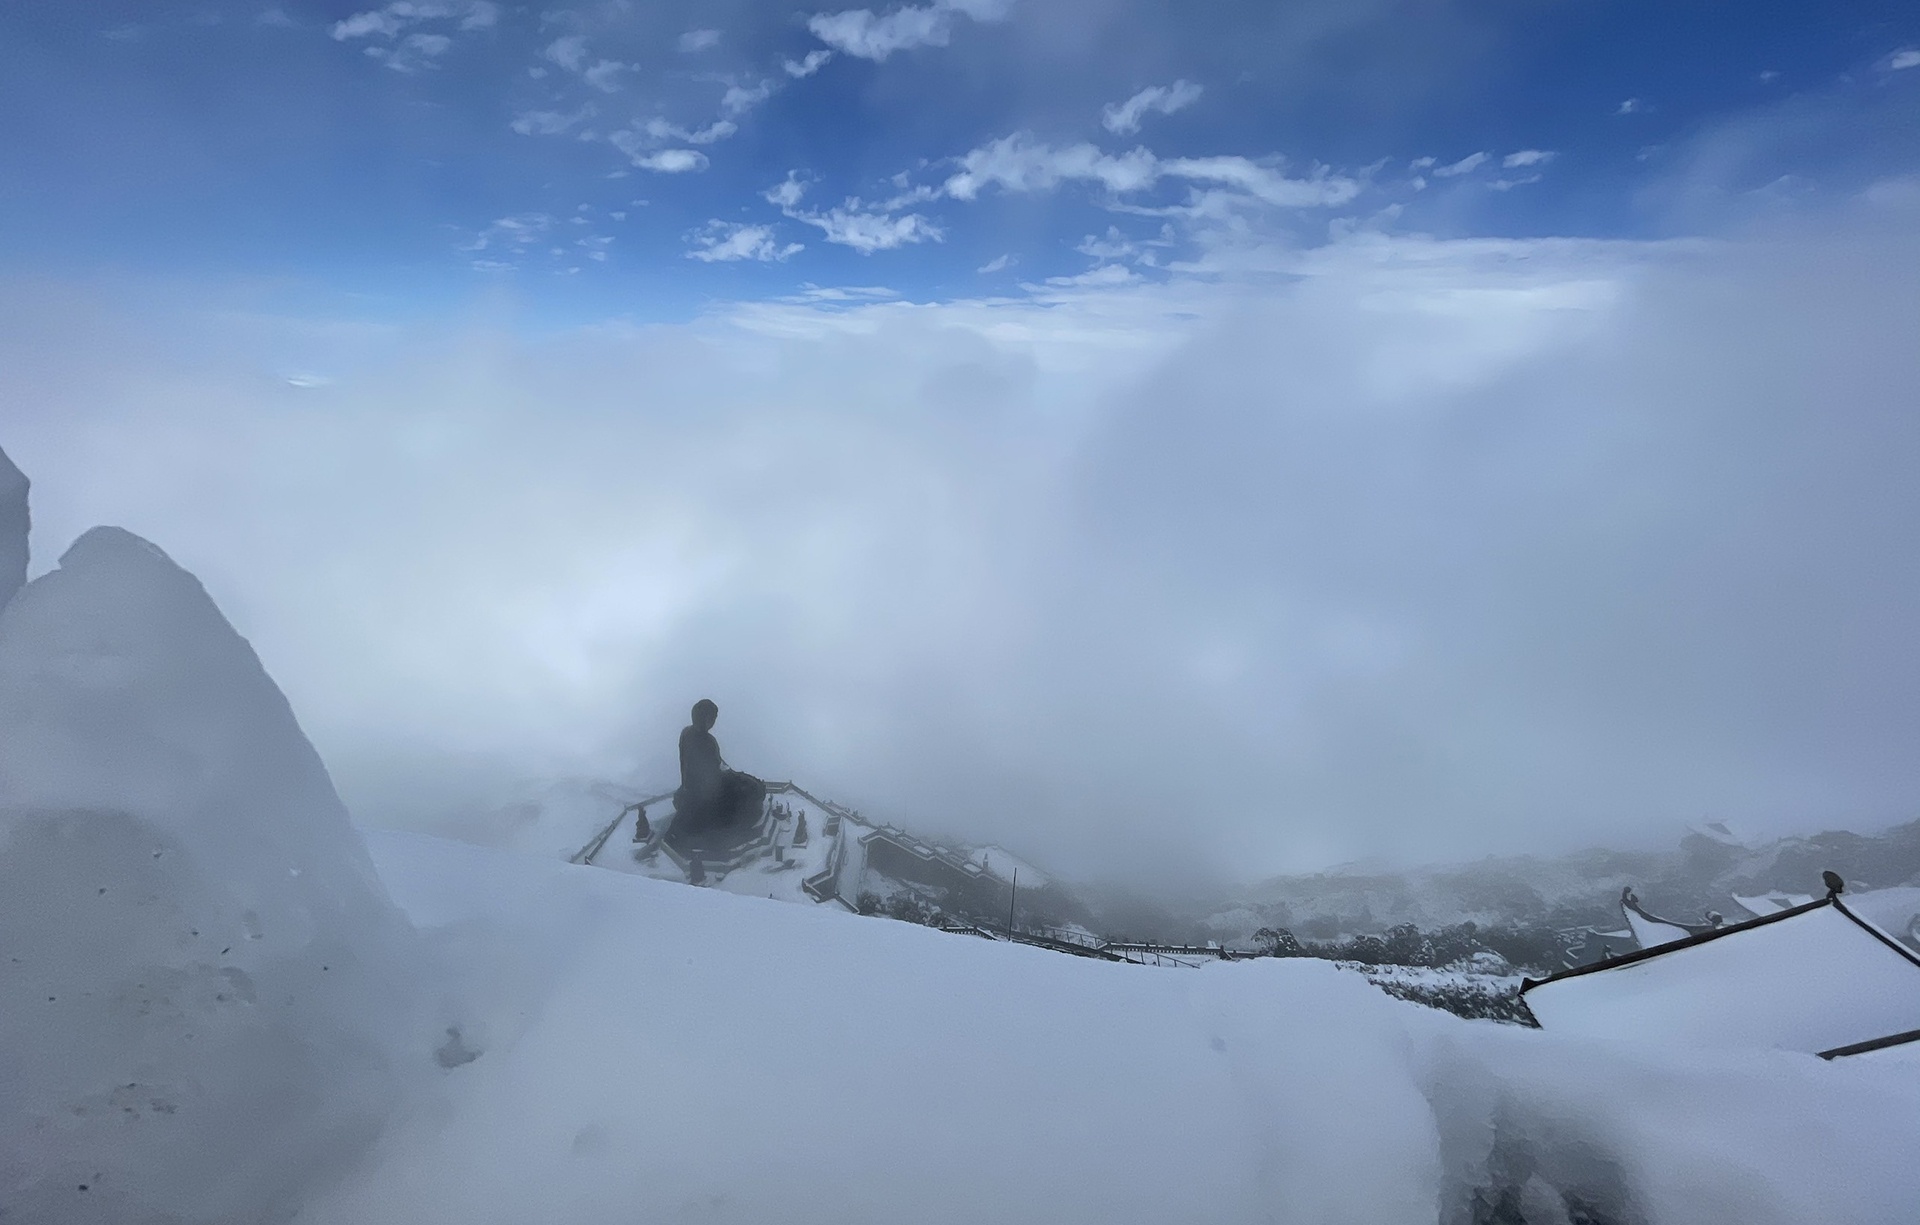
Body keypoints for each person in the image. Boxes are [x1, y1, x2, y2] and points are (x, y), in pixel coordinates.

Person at [672, 699, 766, 836]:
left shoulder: (686, 733)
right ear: (705, 718)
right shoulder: (707, 741)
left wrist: (732, 774)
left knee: (747, 782)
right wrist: (735, 777)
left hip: (693, 788)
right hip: (707, 792)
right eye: (712, 718)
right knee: (753, 789)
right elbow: (713, 775)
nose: (713, 722)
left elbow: (717, 764)